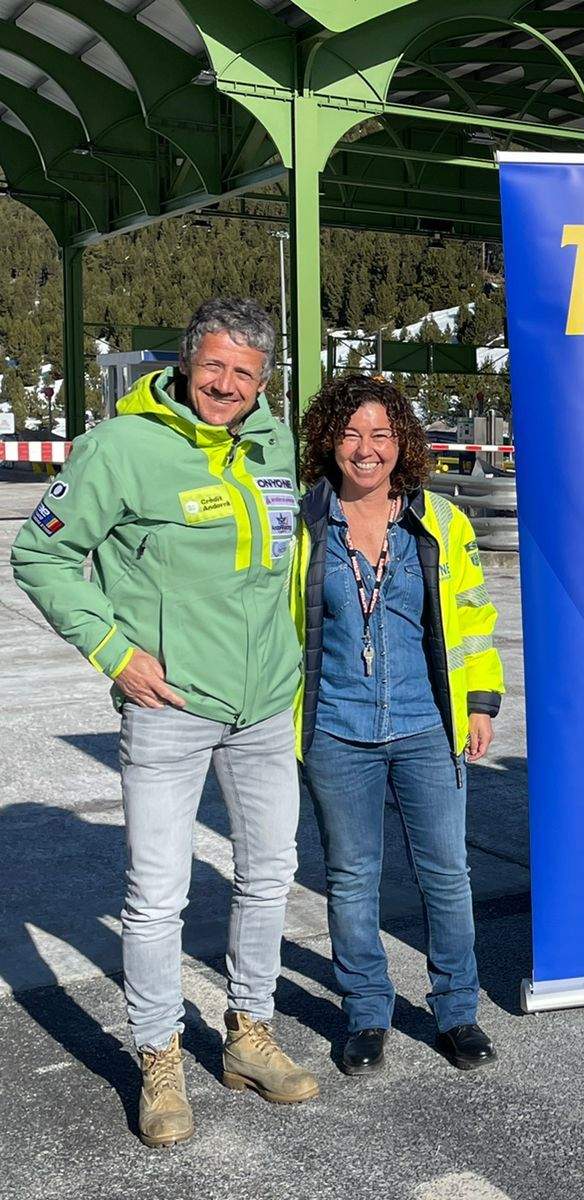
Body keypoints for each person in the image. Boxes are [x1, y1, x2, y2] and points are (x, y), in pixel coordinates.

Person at [11, 298, 316, 1148]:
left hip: (263, 707)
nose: (225, 385)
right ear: (188, 363)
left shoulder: (274, 444)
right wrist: (115, 651)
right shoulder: (121, 448)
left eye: (244, 373)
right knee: (157, 899)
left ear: (265, 379)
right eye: (213, 366)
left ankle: (249, 1033)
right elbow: (40, 551)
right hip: (168, 709)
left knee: (268, 876)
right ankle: (158, 1056)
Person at [290, 375, 505, 1076]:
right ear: (328, 440)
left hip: (424, 724)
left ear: (401, 442)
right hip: (337, 729)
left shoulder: (441, 522)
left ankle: (456, 1013)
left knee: (445, 875)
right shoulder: (302, 522)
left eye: (380, 434)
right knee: (353, 879)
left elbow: (472, 619)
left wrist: (480, 702)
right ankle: (366, 1013)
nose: (365, 448)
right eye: (350, 433)